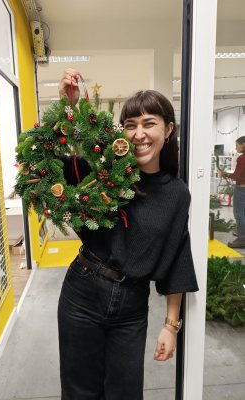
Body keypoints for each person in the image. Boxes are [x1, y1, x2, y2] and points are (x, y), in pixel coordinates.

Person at [57, 68, 199, 400]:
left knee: (125, 393)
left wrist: (171, 325)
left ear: (169, 129)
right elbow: (54, 162)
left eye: (149, 123)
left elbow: (179, 255)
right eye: (130, 125)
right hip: (83, 293)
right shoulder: (105, 172)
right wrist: (70, 107)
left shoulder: (177, 195)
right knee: (79, 392)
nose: (139, 134)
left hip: (132, 304)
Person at [218, 136, 245, 248]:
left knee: (238, 214)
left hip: (241, 189)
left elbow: (236, 176)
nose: (235, 148)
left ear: (243, 145)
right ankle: (242, 234)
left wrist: (224, 174)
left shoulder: (242, 158)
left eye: (237, 145)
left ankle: (242, 239)